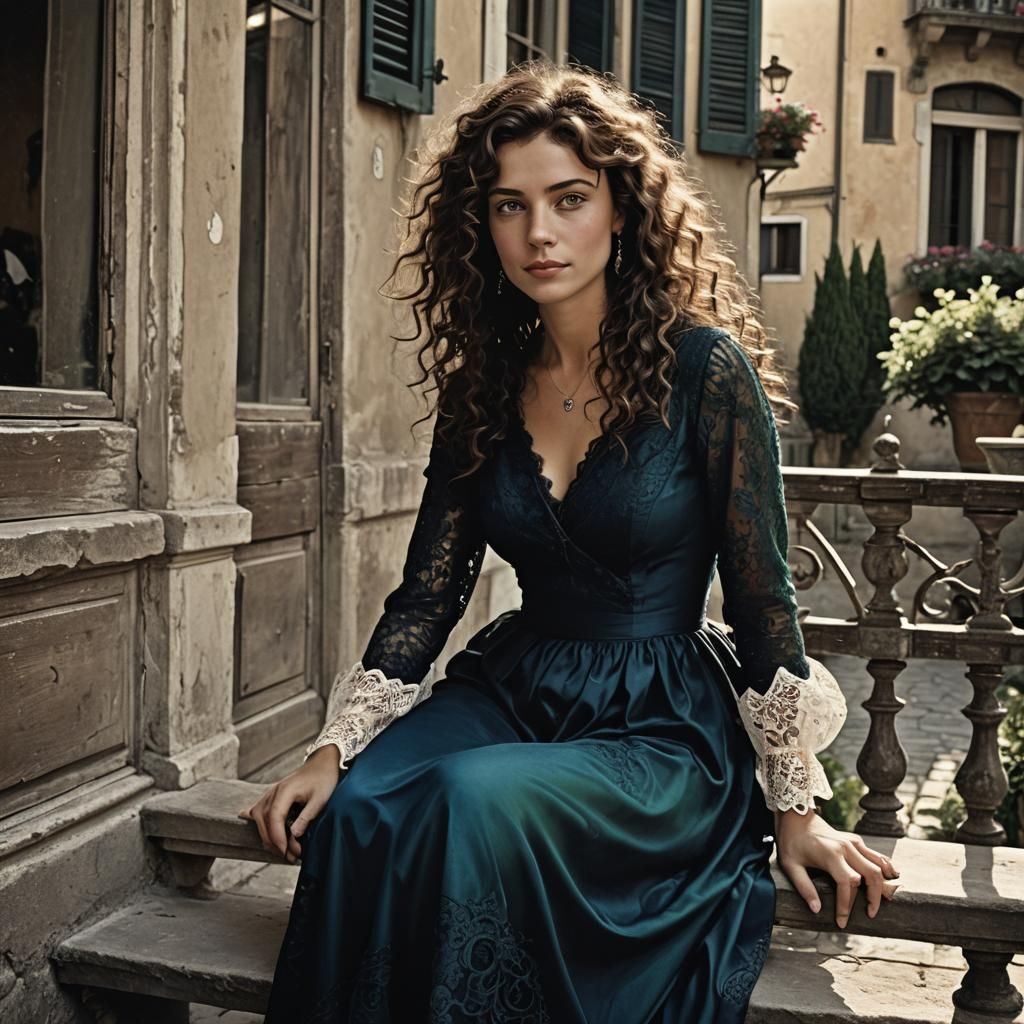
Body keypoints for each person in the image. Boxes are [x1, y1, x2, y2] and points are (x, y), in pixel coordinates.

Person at [242, 62, 900, 1023]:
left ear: (623, 210)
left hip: (662, 721)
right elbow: (429, 591)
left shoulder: (704, 372)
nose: (538, 232)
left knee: (471, 800)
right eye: (510, 206)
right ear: (484, 224)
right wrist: (334, 748)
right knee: (366, 808)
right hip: (518, 684)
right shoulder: (485, 382)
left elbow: (764, 601)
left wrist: (795, 810)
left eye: (569, 199)